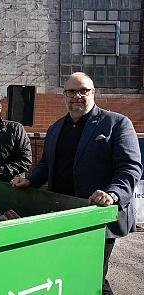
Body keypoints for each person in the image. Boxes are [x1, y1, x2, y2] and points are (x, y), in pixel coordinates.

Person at [11, 72, 142, 295]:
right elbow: (46, 165)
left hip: (96, 216)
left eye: (83, 90)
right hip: (62, 215)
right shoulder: (54, 129)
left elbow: (130, 168)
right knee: (66, 273)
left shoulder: (117, 123)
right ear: (64, 95)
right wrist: (29, 179)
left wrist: (112, 194)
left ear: (93, 93)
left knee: (92, 279)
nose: (77, 96)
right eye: (71, 91)